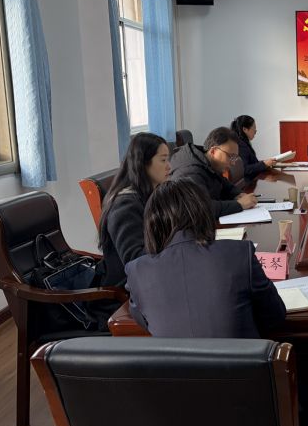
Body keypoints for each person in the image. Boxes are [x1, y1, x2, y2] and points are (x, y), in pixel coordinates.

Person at [125, 178, 287, 337]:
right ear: (204, 213)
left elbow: (146, 323)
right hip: (242, 354)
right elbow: (275, 316)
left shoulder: (137, 271)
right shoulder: (239, 254)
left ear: (151, 225)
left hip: (172, 356)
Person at [98, 132, 171, 287]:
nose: (169, 166)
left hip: (155, 275)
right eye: (163, 160)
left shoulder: (150, 194)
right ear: (143, 163)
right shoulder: (123, 207)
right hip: (130, 289)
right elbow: (136, 261)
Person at [169, 126, 258, 217]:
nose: (233, 163)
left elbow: (224, 184)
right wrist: (239, 204)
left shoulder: (206, 161)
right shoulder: (191, 171)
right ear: (213, 151)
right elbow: (201, 208)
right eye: (230, 156)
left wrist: (239, 194)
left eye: (235, 157)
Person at [231, 115, 276, 180]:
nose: (255, 131)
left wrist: (266, 163)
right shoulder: (241, 145)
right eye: (254, 128)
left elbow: (252, 163)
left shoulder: (243, 142)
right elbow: (244, 169)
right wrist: (264, 164)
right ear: (245, 129)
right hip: (248, 183)